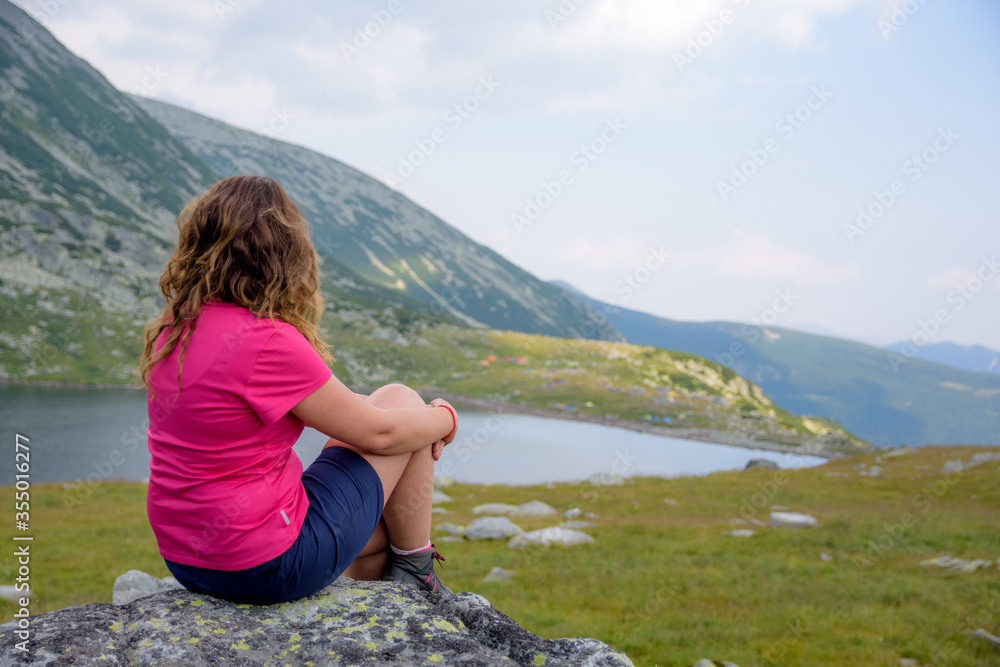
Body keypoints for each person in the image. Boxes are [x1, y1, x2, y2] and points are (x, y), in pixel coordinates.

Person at [138, 175, 457, 605]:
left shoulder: (174, 328)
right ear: (284, 254)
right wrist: (443, 417)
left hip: (187, 559)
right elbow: (379, 434)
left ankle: (384, 592)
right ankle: (416, 571)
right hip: (263, 565)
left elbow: (341, 414)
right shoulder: (267, 340)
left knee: (378, 528)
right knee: (402, 403)